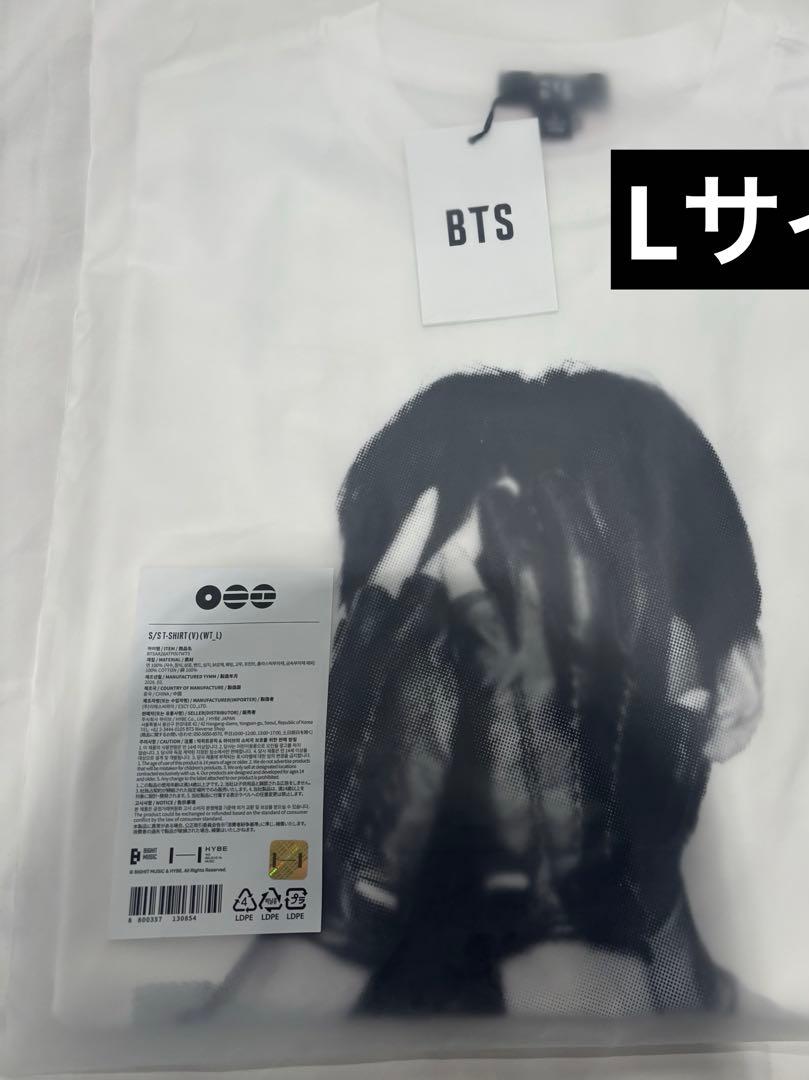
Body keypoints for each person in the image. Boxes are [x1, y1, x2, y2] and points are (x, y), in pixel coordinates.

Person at [210, 367, 764, 1018]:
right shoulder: (151, 1047)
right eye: (423, 640)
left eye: (559, 645)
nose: (490, 705)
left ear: (730, 696)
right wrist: (333, 913)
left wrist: (573, 912)